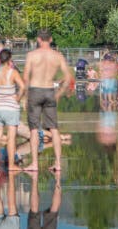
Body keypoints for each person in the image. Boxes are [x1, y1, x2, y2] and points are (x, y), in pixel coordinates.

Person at [22, 29, 72, 172]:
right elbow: (68, 78)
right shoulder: (57, 56)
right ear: (50, 39)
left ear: (38, 39)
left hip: (35, 90)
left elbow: (25, 78)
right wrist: (59, 93)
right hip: (50, 91)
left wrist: (25, 97)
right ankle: (57, 163)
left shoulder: (31, 55)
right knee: (54, 129)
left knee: (33, 130)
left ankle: (35, 164)